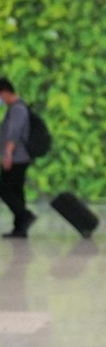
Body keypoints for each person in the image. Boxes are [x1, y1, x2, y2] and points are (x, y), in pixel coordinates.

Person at [0, 78, 36, 238]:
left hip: (17, 157)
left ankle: (24, 215)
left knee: (5, 188)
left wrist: (7, 154)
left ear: (5, 92)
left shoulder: (17, 109)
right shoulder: (15, 108)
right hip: (16, 157)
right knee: (16, 191)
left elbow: (14, 134)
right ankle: (20, 227)